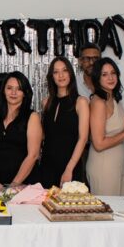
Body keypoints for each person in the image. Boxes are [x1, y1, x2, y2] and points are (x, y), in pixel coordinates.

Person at [39, 56, 89, 189]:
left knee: (70, 202)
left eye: (65, 70)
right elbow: (44, 136)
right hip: (47, 166)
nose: (61, 75)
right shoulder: (46, 102)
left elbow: (83, 138)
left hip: (70, 166)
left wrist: (69, 169)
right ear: (52, 77)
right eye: (56, 72)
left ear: (70, 73)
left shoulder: (81, 102)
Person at [87, 58, 124, 195]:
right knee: (108, 208)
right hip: (104, 167)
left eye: (113, 73)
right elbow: (98, 144)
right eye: (104, 74)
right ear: (97, 78)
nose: (110, 78)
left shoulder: (114, 98)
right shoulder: (99, 103)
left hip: (118, 165)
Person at [0, 71, 41, 186]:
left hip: (24, 183)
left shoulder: (32, 117)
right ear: (3, 91)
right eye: (9, 88)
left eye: (19, 89)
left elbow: (33, 155)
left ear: (24, 93)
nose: (13, 92)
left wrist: (14, 184)